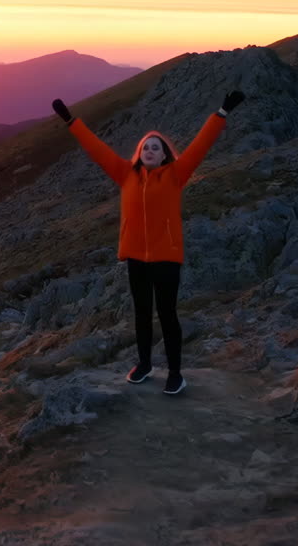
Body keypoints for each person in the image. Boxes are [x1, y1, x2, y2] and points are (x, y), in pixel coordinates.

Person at [51, 90, 245, 395]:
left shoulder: (176, 175)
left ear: (165, 153)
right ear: (139, 152)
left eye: (155, 147)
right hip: (137, 259)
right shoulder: (125, 174)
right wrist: (70, 120)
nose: (149, 150)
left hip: (166, 257)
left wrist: (221, 112)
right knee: (141, 313)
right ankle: (144, 364)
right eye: (145, 147)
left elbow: (201, 145)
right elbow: (95, 147)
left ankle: (176, 373)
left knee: (167, 315)